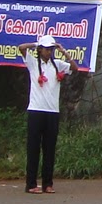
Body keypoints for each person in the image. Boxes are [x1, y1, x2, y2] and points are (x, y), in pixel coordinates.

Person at [22, 33, 71, 195]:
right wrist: (36, 44)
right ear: (40, 50)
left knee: (49, 149)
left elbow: (75, 68)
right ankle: (31, 184)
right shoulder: (33, 63)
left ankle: (47, 183)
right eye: (46, 49)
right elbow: (21, 48)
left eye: (51, 49)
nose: (49, 52)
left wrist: (63, 51)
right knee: (33, 148)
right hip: (36, 110)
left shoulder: (57, 64)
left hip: (52, 111)